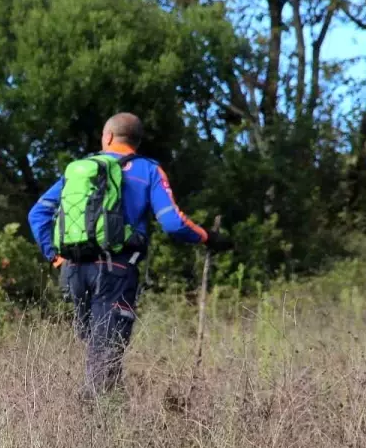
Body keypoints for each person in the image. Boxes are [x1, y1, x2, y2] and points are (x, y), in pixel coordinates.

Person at [27, 112, 232, 401]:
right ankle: (95, 425)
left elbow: (38, 214)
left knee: (96, 348)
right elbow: (173, 222)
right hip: (115, 272)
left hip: (72, 271)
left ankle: (102, 415)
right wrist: (207, 237)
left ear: (107, 137)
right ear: (136, 141)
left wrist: (56, 258)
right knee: (106, 353)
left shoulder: (79, 170)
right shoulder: (148, 170)